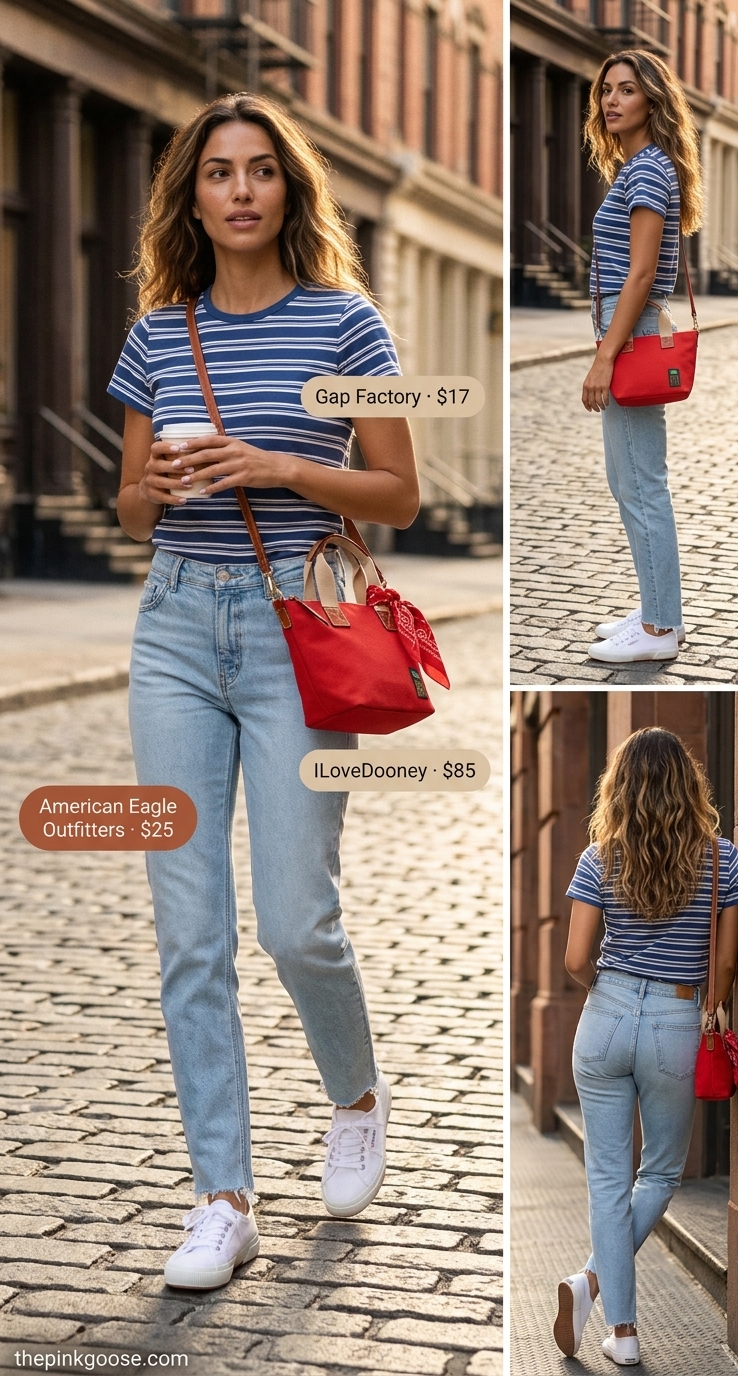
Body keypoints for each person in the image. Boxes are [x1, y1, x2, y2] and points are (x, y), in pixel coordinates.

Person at [108, 93, 420, 1291]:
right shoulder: (156, 334)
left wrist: (279, 462)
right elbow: (132, 504)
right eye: (217, 174)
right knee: (189, 930)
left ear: (290, 190)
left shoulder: (345, 325)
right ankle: (223, 1197)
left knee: (295, 915)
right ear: (191, 198)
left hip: (304, 619)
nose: (239, 191)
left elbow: (396, 490)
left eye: (260, 172)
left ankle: (354, 1093)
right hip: (177, 621)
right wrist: (168, 485)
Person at [553, 728, 738, 1366]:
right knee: (659, 1173)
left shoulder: (596, 859)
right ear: (690, 786)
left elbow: (576, 957)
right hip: (677, 1019)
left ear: (619, 789)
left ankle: (623, 1336)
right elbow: (724, 972)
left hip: (603, 1015)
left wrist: (613, 987)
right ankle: (588, 1284)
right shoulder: (722, 860)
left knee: (606, 1179)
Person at [580, 51, 703, 665]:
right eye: (606, 90)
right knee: (628, 480)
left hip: (628, 336)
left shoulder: (649, 170)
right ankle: (656, 606)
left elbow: (641, 275)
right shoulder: (637, 168)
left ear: (652, 99)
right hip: (623, 332)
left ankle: (661, 628)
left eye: (626, 90)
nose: (611, 100)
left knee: (642, 483)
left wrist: (605, 356)